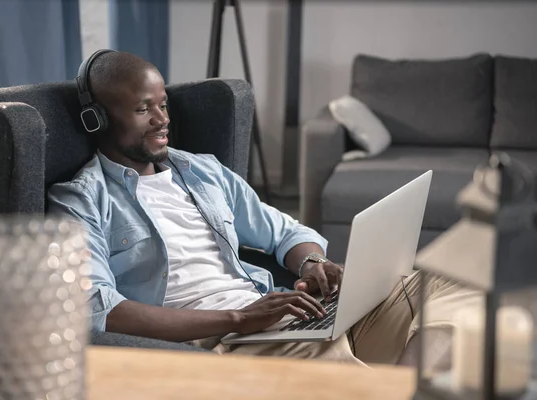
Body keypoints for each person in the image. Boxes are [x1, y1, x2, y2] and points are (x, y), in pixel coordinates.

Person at [48, 51, 478, 367]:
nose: (161, 119)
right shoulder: (80, 201)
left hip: (271, 315)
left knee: (449, 281)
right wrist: (241, 316)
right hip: (223, 338)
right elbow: (100, 312)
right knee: (327, 356)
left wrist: (312, 263)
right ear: (97, 120)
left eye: (162, 104)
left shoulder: (202, 171)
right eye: (143, 109)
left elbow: (284, 231)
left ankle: (403, 383)